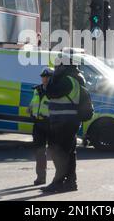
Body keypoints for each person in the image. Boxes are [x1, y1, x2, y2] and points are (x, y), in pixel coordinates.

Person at [43, 55, 83, 193]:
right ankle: (71, 182)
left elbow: (50, 93)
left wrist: (52, 79)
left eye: (57, 66)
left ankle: (58, 182)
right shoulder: (76, 78)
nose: (55, 68)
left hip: (63, 121)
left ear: (63, 66)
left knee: (57, 152)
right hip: (70, 121)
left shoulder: (66, 80)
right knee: (69, 153)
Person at [28, 68, 54, 186]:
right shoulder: (37, 90)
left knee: (55, 152)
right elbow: (34, 103)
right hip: (38, 124)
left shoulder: (55, 91)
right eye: (43, 76)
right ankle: (41, 177)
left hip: (51, 124)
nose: (45, 79)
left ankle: (59, 178)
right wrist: (30, 109)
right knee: (39, 152)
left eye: (48, 76)